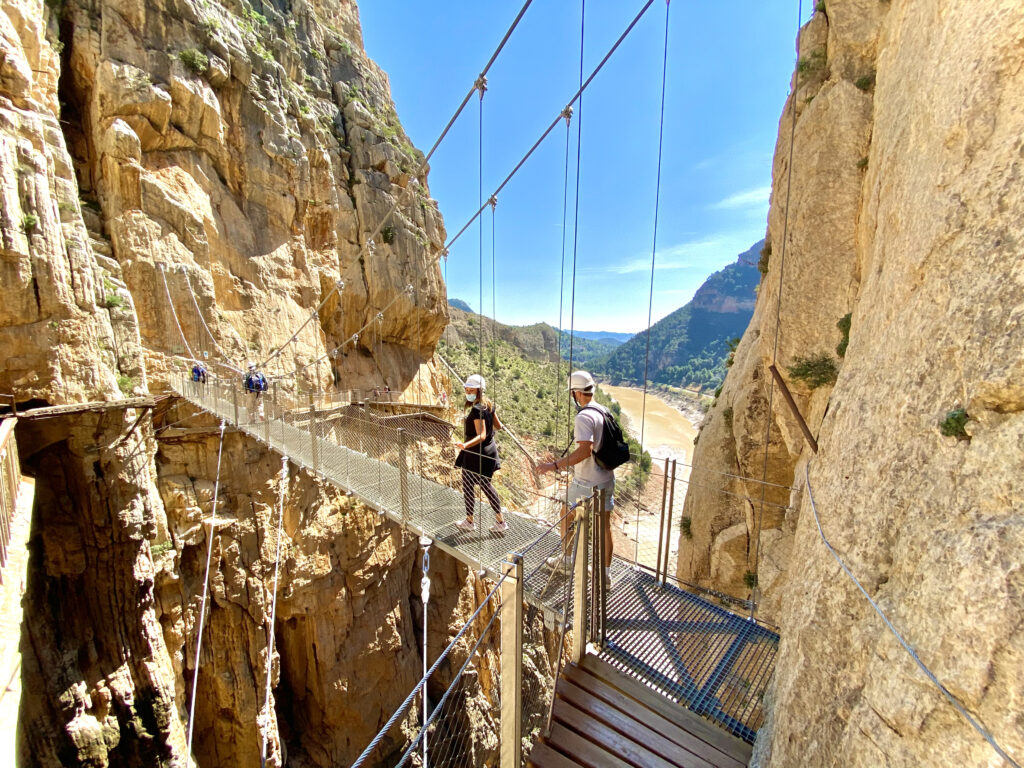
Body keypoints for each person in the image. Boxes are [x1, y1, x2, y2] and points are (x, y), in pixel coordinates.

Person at [537, 370, 616, 583]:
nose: (573, 397)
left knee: (566, 513)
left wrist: (554, 465)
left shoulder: (584, 416)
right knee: (604, 526)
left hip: (587, 481)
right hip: (607, 478)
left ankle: (566, 560)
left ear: (577, 393)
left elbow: (584, 451)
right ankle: (605, 575)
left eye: (572, 393)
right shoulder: (605, 411)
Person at [453, 374, 508, 534]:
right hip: (489, 451)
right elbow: (498, 426)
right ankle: (500, 521)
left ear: (478, 391)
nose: (467, 392)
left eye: (470, 389)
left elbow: (481, 434)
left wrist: (464, 445)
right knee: (485, 484)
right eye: (467, 389)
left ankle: (469, 521)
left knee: (468, 484)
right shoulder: (489, 405)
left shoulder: (477, 409)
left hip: (476, 453)